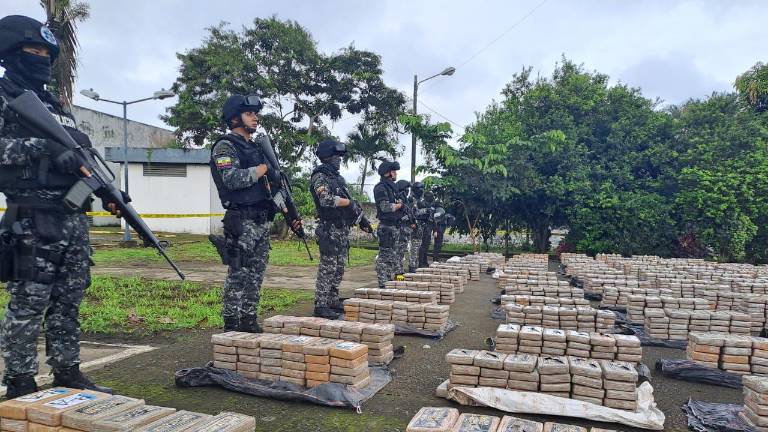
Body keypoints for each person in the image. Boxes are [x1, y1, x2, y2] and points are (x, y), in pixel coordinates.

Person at [0, 15, 119, 397]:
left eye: (45, 52)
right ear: (11, 54)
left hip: (72, 217)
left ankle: (67, 370)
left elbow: (81, 155)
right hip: (33, 217)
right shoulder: (5, 97)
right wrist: (44, 149)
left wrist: (107, 192)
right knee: (29, 302)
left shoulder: (56, 106)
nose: (41, 58)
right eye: (32, 51)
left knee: (69, 300)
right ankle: (19, 380)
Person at [210, 94, 275, 333]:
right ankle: (231, 322)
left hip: (260, 219)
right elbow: (231, 179)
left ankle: (249, 318)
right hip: (241, 220)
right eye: (250, 114)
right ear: (235, 118)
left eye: (255, 114)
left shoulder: (256, 148)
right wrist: (260, 170)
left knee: (256, 274)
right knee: (239, 273)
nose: (255, 118)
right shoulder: (225, 146)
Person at [310, 139, 372, 319]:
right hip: (329, 228)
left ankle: (332, 299)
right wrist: (348, 203)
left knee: (339, 267)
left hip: (342, 228)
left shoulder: (338, 179)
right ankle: (320, 304)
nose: (339, 159)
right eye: (336, 156)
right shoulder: (320, 176)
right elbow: (326, 200)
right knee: (328, 267)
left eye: (340, 156)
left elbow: (350, 205)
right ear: (327, 156)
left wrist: (362, 220)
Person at [372, 160, 404, 288]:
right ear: (388, 173)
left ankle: (391, 280)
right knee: (384, 256)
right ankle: (383, 283)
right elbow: (385, 207)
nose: (396, 174)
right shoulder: (381, 187)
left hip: (395, 226)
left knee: (395, 255)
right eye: (394, 171)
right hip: (386, 227)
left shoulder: (393, 188)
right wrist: (400, 205)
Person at [412, 183, 434, 269]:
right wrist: (426, 210)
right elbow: (414, 213)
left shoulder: (423, 202)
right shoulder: (414, 200)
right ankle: (418, 264)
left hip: (425, 226)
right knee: (419, 246)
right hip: (417, 225)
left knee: (425, 245)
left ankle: (423, 261)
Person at [394, 179, 413, 275]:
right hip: (399, 230)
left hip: (404, 231)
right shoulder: (397, 200)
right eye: (406, 189)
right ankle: (398, 276)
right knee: (397, 254)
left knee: (400, 254)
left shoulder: (405, 201)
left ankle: (399, 274)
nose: (408, 191)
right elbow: (398, 215)